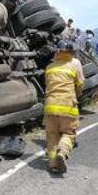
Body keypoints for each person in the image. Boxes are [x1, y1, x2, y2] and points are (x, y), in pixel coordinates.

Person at [43, 40, 84, 174]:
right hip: (67, 106)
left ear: (58, 52)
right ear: (71, 52)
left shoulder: (49, 67)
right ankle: (62, 152)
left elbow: (48, 85)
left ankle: (54, 165)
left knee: (52, 136)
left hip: (50, 107)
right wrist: (77, 96)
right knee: (68, 133)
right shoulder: (74, 65)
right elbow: (80, 85)